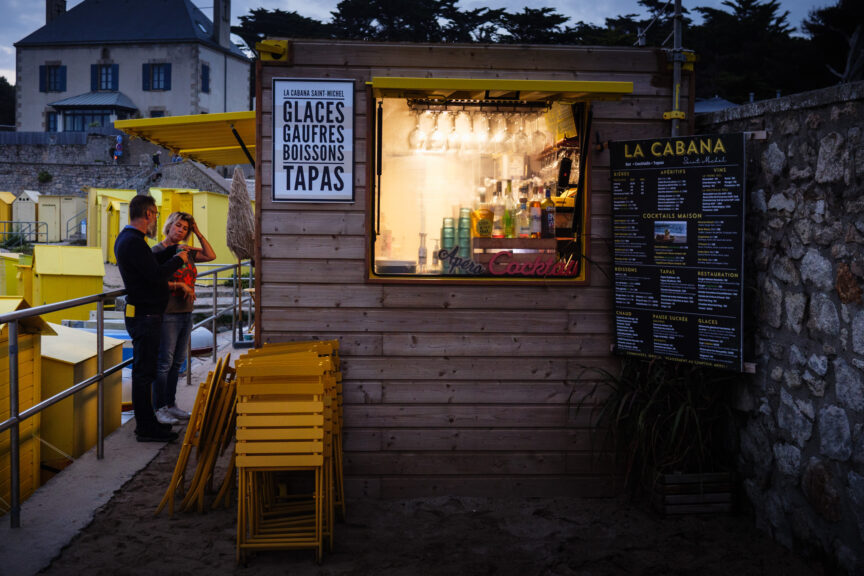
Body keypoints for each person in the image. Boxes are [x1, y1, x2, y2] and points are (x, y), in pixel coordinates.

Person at [114, 195, 189, 442]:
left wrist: (170, 251)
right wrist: (179, 259)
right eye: (156, 214)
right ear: (148, 214)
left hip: (146, 314)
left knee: (144, 371)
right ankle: (145, 427)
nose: (156, 218)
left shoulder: (131, 240)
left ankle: (148, 422)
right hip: (145, 316)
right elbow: (155, 276)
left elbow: (149, 265)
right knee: (144, 373)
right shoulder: (133, 242)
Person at [151, 212, 216, 424]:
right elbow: (153, 281)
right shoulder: (158, 251)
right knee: (164, 362)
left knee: (178, 361)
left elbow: (211, 255)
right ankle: (159, 407)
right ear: (169, 225)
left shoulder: (186, 250)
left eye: (185, 228)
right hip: (168, 312)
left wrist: (197, 232)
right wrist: (179, 285)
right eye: (178, 226)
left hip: (186, 311)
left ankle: (171, 405)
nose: (181, 230)